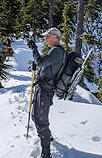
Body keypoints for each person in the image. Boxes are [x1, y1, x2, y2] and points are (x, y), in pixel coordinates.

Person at [27, 28, 66, 158]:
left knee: (40, 120)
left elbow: (41, 62)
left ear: (55, 37)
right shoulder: (57, 51)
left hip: (45, 90)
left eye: (47, 36)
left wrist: (34, 49)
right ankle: (46, 138)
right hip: (43, 89)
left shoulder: (56, 51)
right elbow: (46, 66)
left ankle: (46, 153)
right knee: (36, 116)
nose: (45, 39)